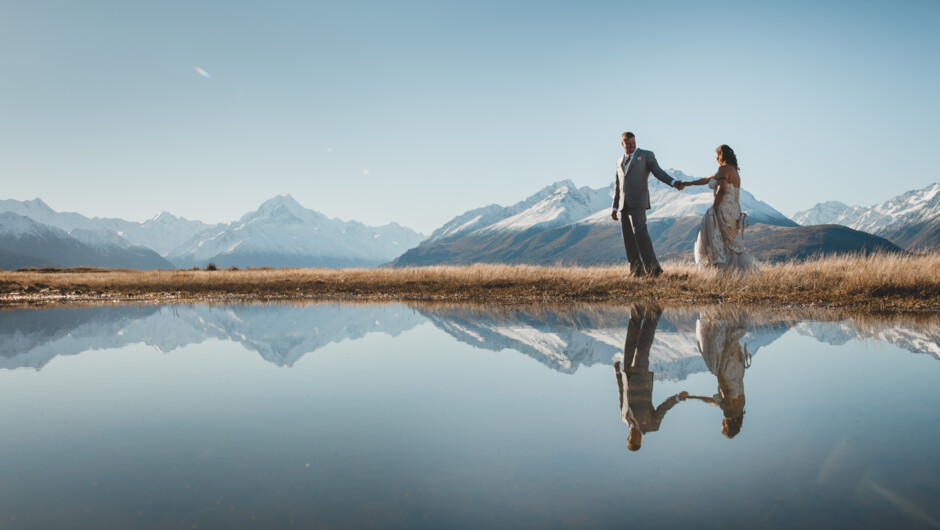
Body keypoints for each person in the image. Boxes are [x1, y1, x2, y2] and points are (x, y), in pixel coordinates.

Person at [613, 304, 687, 451]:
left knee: (631, 338)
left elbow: (621, 395)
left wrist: (617, 373)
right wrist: (678, 398)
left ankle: (638, 307)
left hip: (627, 373)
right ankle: (655, 308)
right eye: (638, 438)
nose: (635, 436)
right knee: (643, 346)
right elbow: (663, 408)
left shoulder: (624, 418)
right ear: (641, 439)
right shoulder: (652, 425)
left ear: (628, 437)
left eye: (632, 438)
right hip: (641, 376)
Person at [611, 132, 686, 277]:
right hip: (623, 205)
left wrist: (673, 182)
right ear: (622, 144)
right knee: (628, 238)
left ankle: (653, 270)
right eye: (628, 143)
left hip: (638, 201)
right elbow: (618, 185)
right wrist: (614, 207)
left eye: (633, 142)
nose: (631, 145)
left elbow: (658, 172)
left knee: (640, 233)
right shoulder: (619, 161)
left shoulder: (646, 155)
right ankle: (636, 271)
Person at [680, 145, 760, 274]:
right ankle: (736, 273)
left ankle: (727, 274)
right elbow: (706, 179)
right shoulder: (733, 170)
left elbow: (722, 190)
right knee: (728, 242)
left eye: (716, 156)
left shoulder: (723, 169)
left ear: (720, 155)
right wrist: (687, 183)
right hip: (733, 211)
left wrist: (714, 209)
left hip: (723, 209)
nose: (716, 159)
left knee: (722, 242)